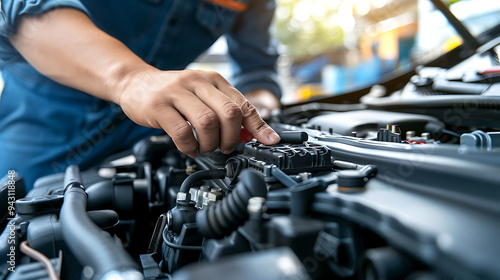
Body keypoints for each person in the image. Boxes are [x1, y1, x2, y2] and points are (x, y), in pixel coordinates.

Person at [0, 0, 282, 191]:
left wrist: (258, 108)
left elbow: (258, 71)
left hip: (156, 128)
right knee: (12, 226)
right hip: (42, 120)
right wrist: (130, 79)